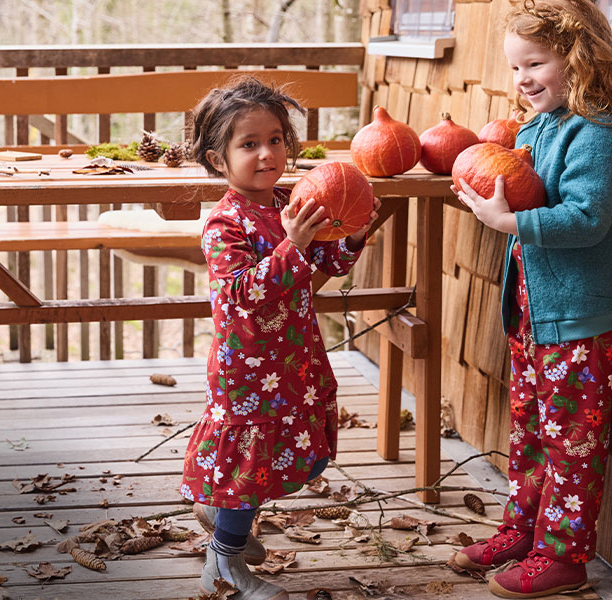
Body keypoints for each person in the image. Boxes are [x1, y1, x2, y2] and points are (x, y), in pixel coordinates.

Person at [451, 1, 612, 597]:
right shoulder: (538, 128)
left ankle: (564, 557)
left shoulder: (601, 133)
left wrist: (509, 224)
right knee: (531, 426)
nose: (523, 79)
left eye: (535, 63)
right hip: (533, 312)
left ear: (579, 59)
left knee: (572, 437)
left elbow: (586, 218)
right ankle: (525, 529)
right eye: (515, 68)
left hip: (582, 313)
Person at [178, 76, 379, 600]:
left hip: (294, 357)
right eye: (248, 144)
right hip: (247, 368)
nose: (267, 153)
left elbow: (322, 266)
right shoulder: (224, 224)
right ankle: (223, 562)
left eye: (275, 139)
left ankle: (224, 517)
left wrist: (352, 235)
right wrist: (293, 243)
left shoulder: (293, 200)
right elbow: (245, 292)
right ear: (218, 160)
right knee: (250, 460)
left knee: (296, 457)